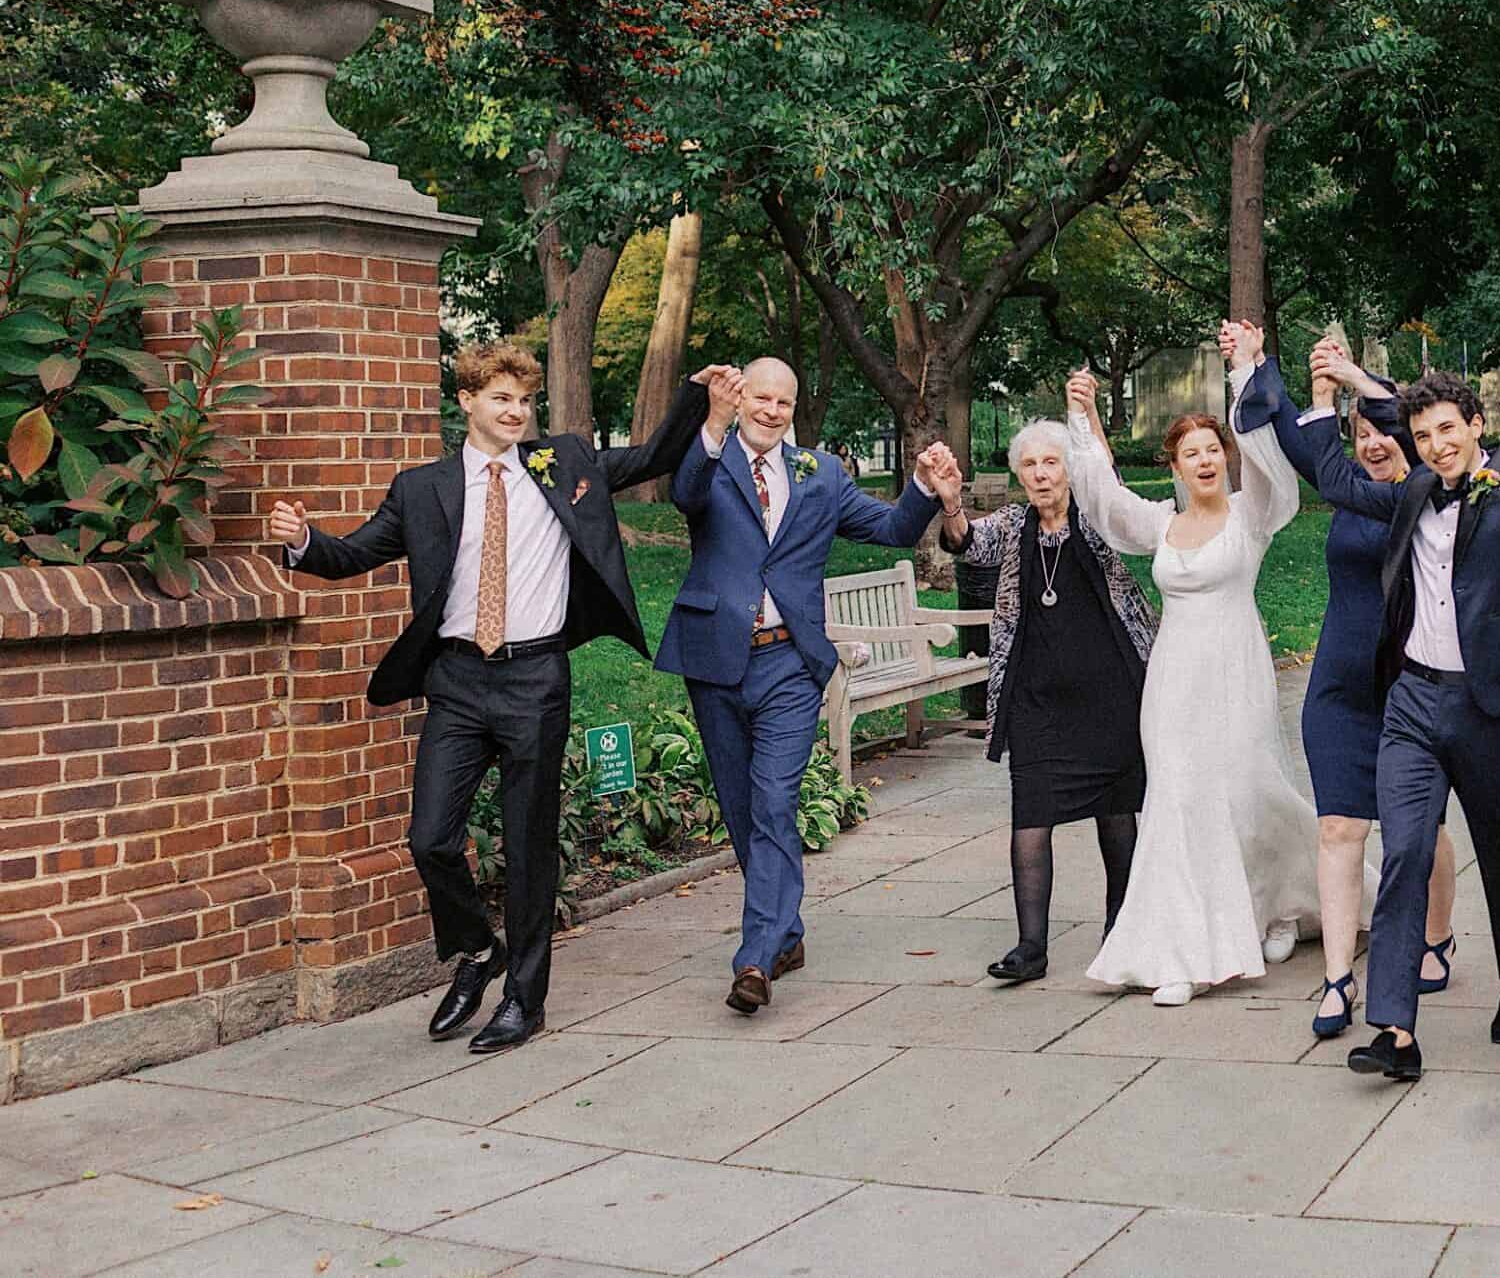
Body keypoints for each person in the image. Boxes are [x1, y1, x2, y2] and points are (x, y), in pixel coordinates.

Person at [266, 343, 720, 1054]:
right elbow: (352, 554)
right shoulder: (422, 489)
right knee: (430, 837)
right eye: (501, 398)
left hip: (536, 681)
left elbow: (656, 453)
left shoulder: (561, 463)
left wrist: (697, 393)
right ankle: (479, 948)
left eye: (523, 400)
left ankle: (524, 1000)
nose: (515, 411)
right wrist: (302, 541)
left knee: (528, 846)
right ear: (467, 402)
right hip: (456, 681)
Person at [1292, 319, 1500, 1084]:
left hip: (1488, 706)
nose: (1436, 442)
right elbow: (1337, 476)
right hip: (1412, 701)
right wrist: (1335, 391)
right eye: (1422, 431)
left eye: (1448, 427)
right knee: (1407, 848)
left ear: (1476, 426)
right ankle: (1392, 1026)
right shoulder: (1409, 490)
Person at [654, 360, 958, 1016]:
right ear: (740, 399)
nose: (772, 409)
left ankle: (755, 958)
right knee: (742, 809)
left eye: (785, 400)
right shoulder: (710, 458)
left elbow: (891, 530)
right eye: (761, 397)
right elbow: (684, 493)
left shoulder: (821, 473)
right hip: (715, 658)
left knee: (772, 802)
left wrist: (925, 489)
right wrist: (710, 418)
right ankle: (786, 933)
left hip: (790, 664)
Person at [1065, 330, 1321, 1005]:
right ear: (1175, 467)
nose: (1205, 460)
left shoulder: (1251, 515)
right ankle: (1178, 949)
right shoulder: (1162, 524)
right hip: (1174, 680)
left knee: (1247, 790)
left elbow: (1270, 462)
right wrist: (1084, 416)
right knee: (1177, 798)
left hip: (1237, 670)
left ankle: (1280, 906)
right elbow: (1103, 495)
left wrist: (1243, 371)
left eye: (1213, 450)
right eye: (1191, 453)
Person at [1232, 338, 1462, 1041]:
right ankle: (1337, 978)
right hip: (1336, 689)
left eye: (1383, 434)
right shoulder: (1342, 485)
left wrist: (1357, 382)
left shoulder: (1426, 496)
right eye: (1358, 437)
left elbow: (1406, 424)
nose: (1370, 446)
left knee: (1418, 832)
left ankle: (1436, 934)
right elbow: (1295, 431)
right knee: (1338, 827)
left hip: (1408, 689)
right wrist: (1256, 364)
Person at [932, 418, 1156, 985]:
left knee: (1116, 812)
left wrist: (1093, 427)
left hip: (1109, 695)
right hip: (1035, 700)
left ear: (1069, 468)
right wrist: (953, 503)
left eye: (1050, 462)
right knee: (1030, 813)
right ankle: (1031, 946)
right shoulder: (1012, 524)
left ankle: (1120, 931)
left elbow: (1118, 495)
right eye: (1029, 465)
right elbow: (965, 544)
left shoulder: (1097, 517)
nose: (1039, 474)